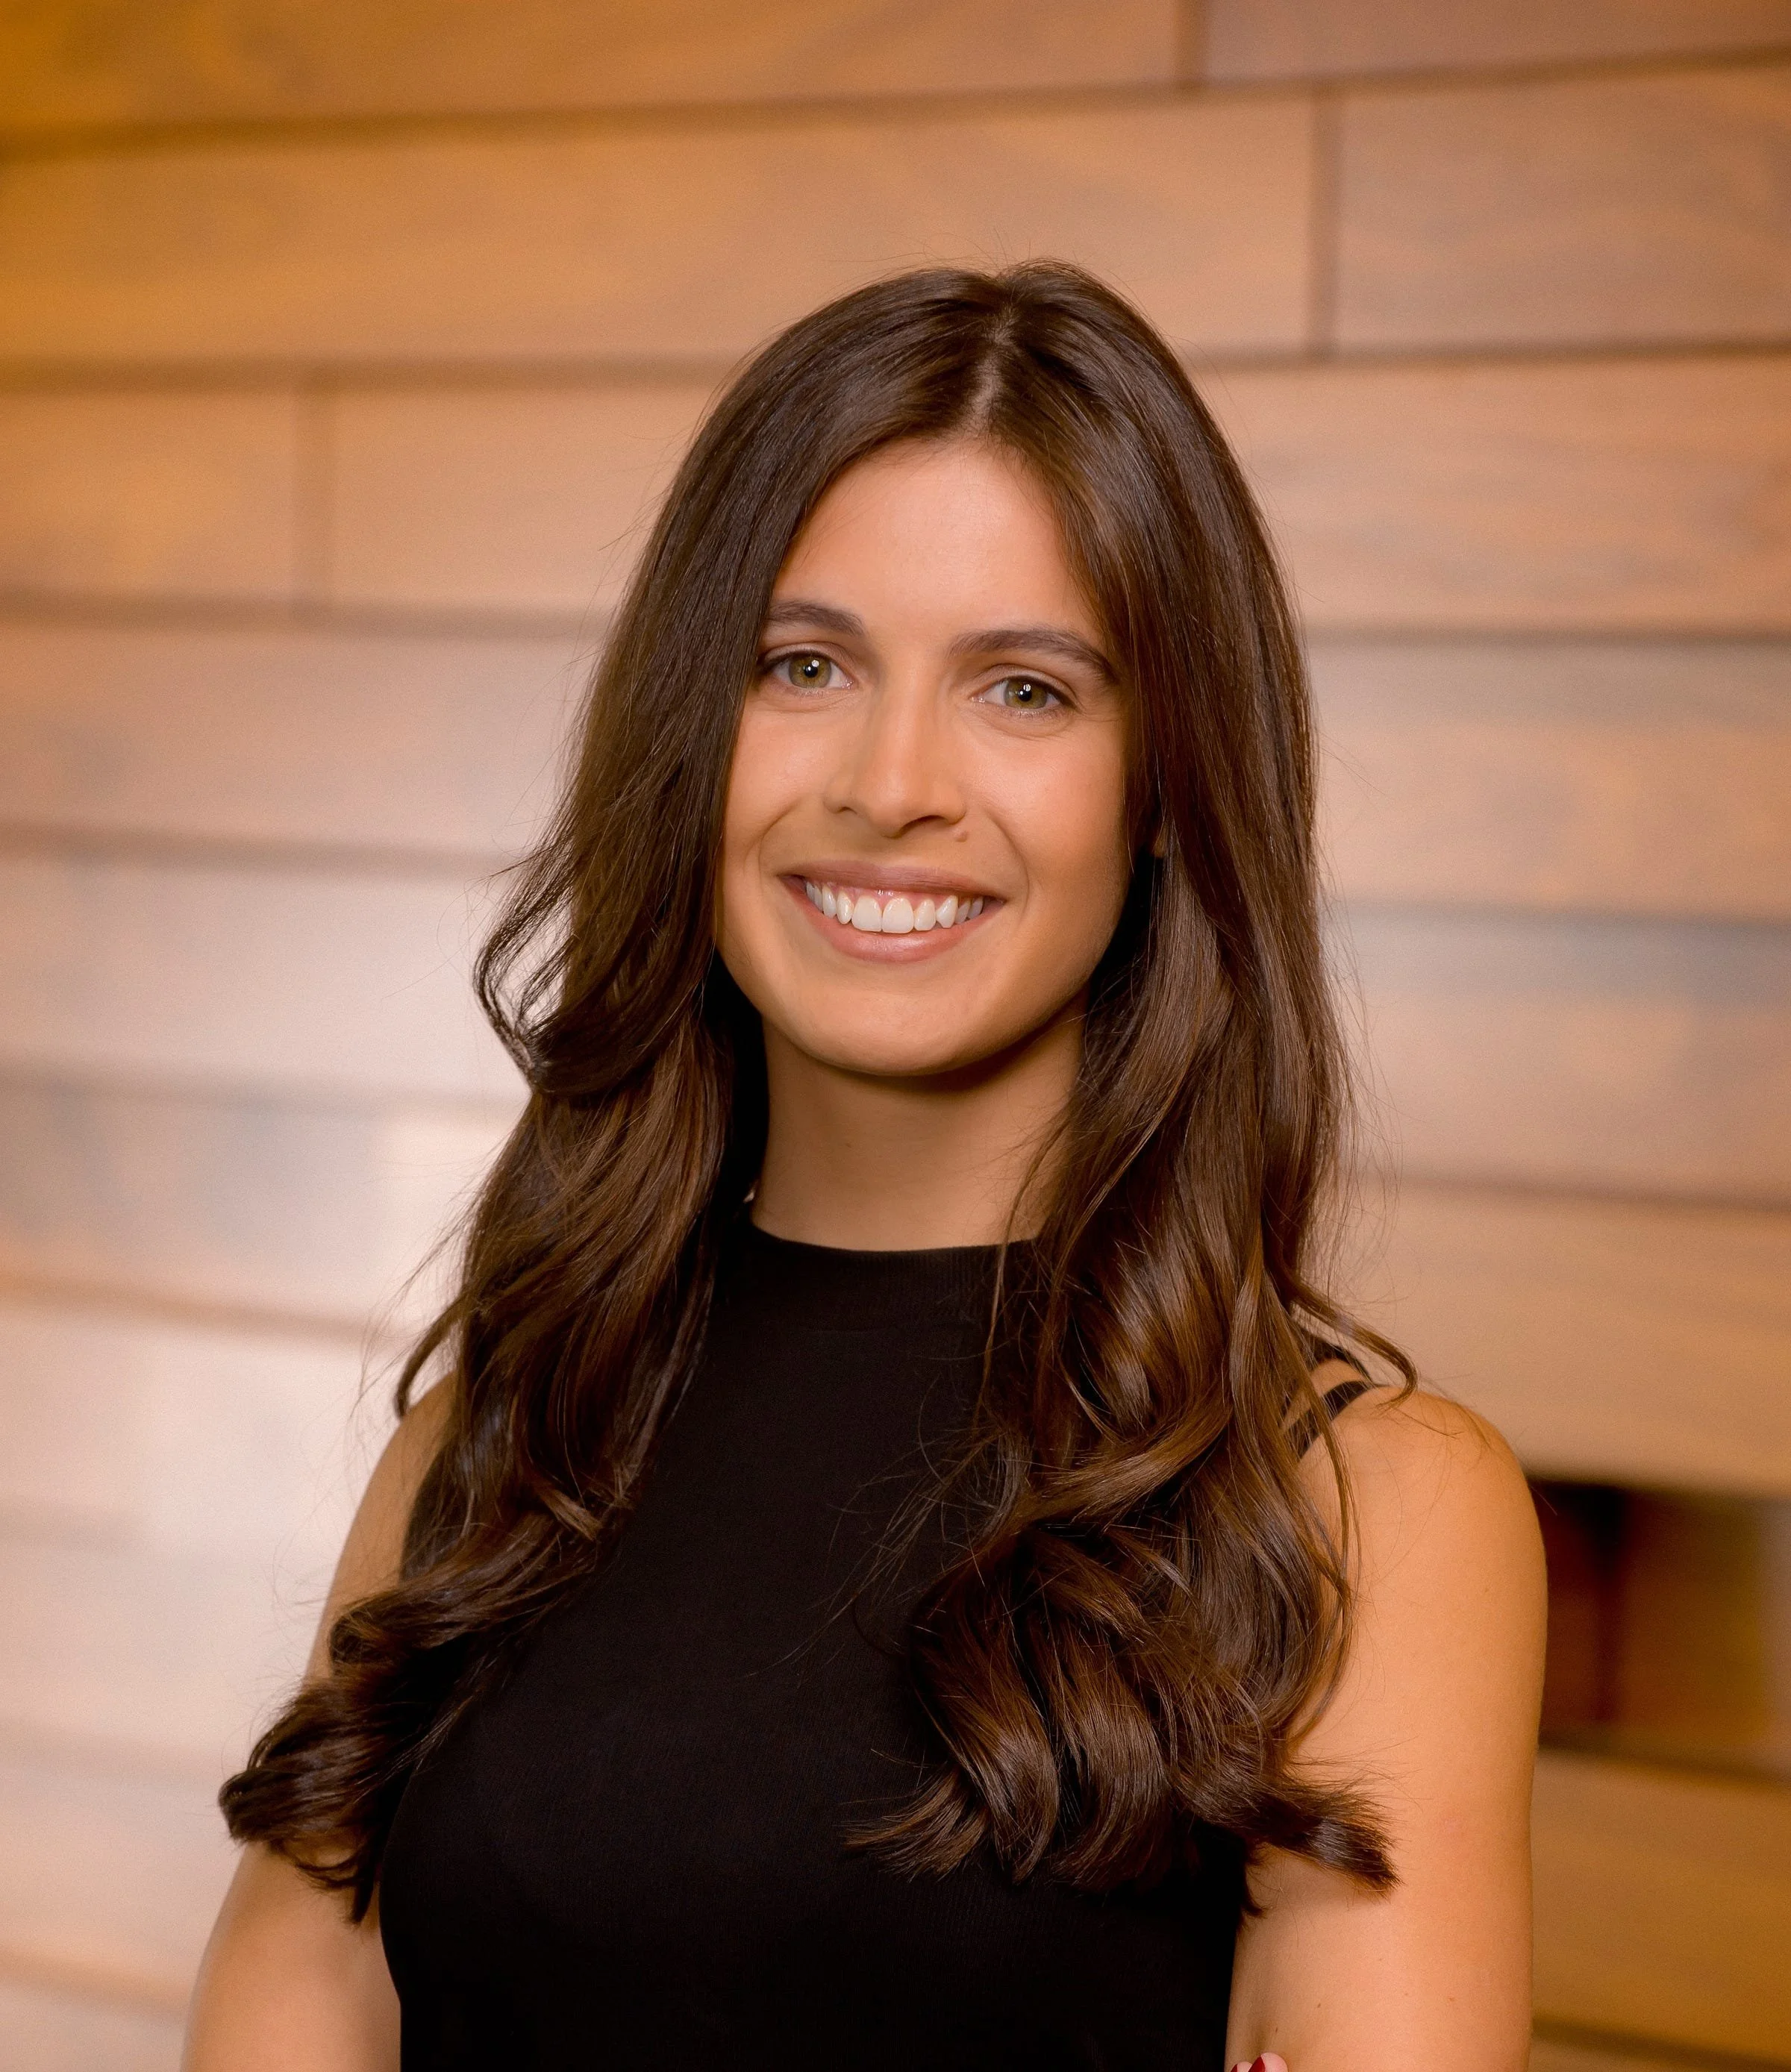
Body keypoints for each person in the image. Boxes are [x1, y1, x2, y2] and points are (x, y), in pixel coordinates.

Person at [184, 263, 1545, 2071]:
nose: (894, 779)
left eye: (1027, 689)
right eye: (803, 664)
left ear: (1163, 786)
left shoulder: (1365, 1509)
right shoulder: (513, 1433)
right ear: (693, 733)